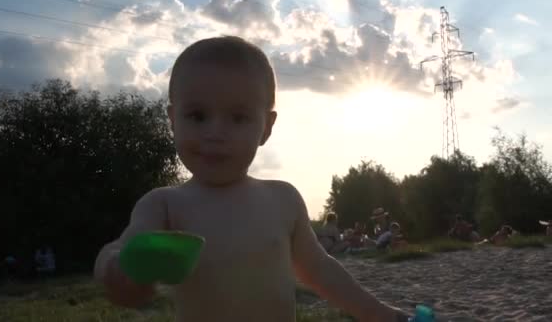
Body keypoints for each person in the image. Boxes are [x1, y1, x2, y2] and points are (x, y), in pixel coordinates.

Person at [94, 36, 409, 321]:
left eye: (238, 117)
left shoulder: (283, 200)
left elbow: (321, 271)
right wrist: (118, 271)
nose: (215, 133)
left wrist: (379, 314)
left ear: (267, 128)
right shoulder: (164, 205)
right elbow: (119, 250)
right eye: (198, 116)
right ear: (173, 121)